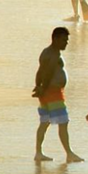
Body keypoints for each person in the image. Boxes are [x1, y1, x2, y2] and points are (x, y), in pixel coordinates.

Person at [33, 27, 83, 163]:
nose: (66, 43)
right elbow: (47, 72)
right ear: (55, 39)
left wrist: (38, 86)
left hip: (47, 92)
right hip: (53, 93)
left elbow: (40, 71)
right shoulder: (54, 54)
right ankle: (69, 153)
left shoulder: (46, 52)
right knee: (63, 122)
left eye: (67, 40)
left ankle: (38, 152)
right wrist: (42, 88)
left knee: (44, 122)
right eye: (63, 40)